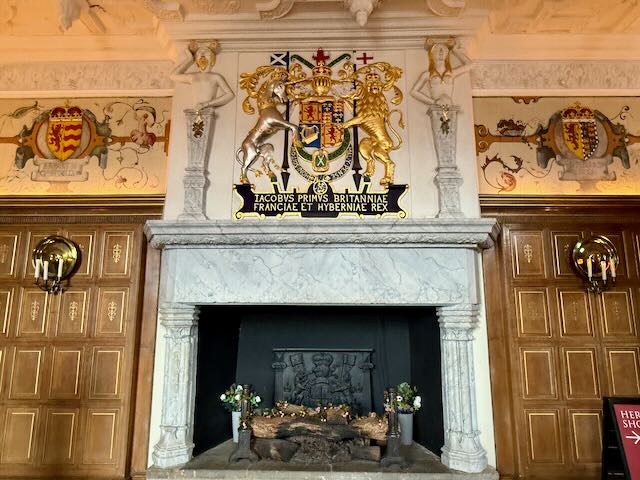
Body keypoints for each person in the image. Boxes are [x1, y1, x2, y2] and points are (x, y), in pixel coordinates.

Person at [171, 40, 235, 111]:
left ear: (212, 59)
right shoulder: (193, 76)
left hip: (208, 112)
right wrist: (189, 59)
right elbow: (173, 76)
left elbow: (230, 95)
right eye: (199, 54)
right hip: (195, 112)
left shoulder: (215, 77)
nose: (202, 55)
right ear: (196, 60)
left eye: (206, 53)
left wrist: (206, 104)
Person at [411, 37, 471, 106]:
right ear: (432, 54)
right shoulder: (427, 74)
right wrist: (433, 102)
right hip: (436, 108)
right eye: (438, 49)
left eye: (444, 50)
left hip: (450, 107)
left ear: (447, 55)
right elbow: (413, 92)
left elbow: (470, 65)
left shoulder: (452, 73)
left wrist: (455, 50)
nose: (441, 51)